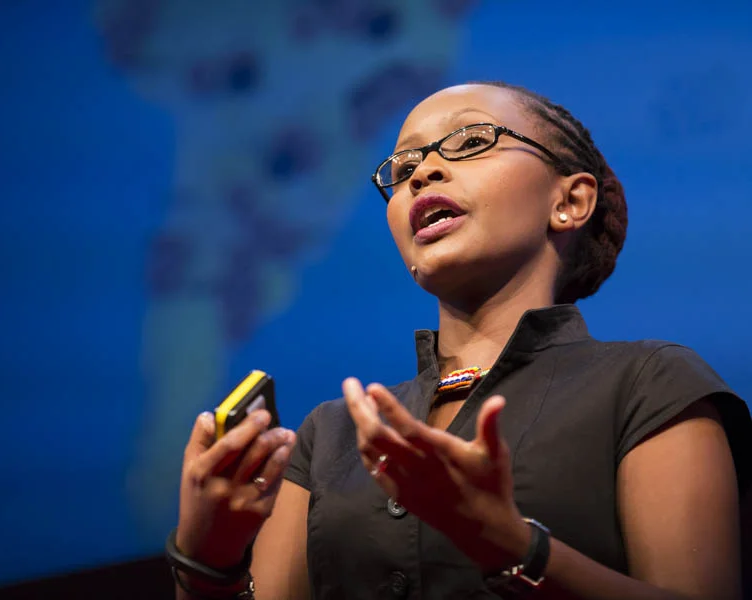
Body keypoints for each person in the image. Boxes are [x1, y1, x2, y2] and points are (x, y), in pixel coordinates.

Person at [166, 82, 752, 599]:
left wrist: (508, 545)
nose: (422, 171)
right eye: (402, 166)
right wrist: (205, 559)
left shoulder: (650, 383)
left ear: (569, 201)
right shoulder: (330, 435)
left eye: (470, 140)